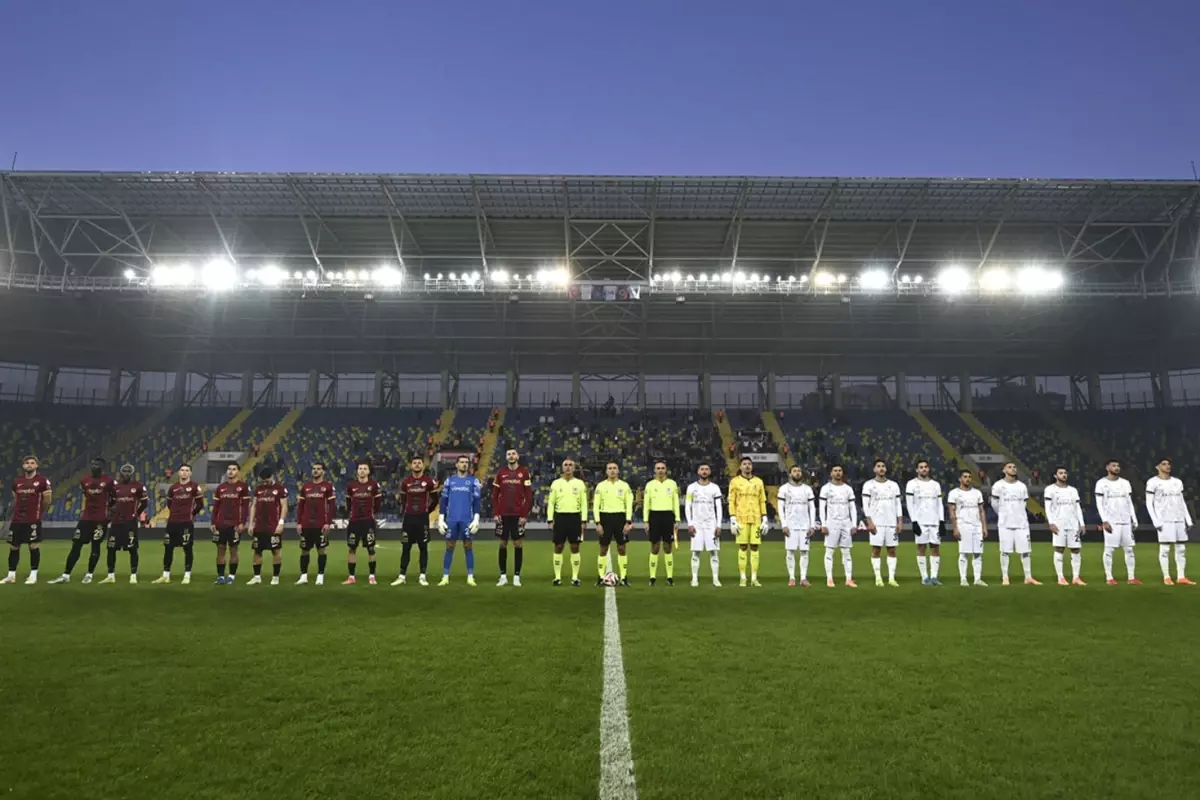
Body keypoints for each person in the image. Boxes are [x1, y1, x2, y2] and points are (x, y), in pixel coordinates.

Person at [51, 457, 114, 584]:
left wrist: (109, 516)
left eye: (97, 465)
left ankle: (89, 574)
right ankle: (66, 575)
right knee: (76, 545)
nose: (95, 466)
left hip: (101, 520)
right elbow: (87, 496)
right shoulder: (85, 481)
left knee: (95, 546)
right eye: (93, 464)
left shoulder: (109, 481)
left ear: (102, 467)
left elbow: (114, 499)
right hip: (86, 519)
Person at [1145, 458, 1195, 586]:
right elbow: (1149, 503)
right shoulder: (1152, 482)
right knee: (1165, 549)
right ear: (1157, 467)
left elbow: (1181, 501)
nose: (1167, 466)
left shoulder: (1177, 482)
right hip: (1164, 520)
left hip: (1178, 519)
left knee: (1181, 548)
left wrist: (1187, 519)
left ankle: (1181, 576)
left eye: (1168, 464)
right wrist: (1156, 521)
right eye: (1164, 464)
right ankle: (1166, 576)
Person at [991, 462, 1041, 586]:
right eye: (1009, 467)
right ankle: (1005, 577)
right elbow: (994, 504)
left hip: (1021, 523)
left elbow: (1024, 503)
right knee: (1004, 551)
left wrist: (1018, 514)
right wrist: (1003, 513)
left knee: (1025, 550)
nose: (1013, 469)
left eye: (1014, 467)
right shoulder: (998, 485)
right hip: (1005, 523)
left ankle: (1028, 577)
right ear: (1004, 470)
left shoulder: (1022, 486)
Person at [4, 456, 51, 584]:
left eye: (32, 463)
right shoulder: (17, 482)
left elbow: (47, 499)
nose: (29, 465)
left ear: (37, 466)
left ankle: (33, 575)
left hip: (33, 519)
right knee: (14, 547)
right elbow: (15, 498)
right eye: (26, 463)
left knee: (33, 546)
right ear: (23, 466)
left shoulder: (42, 481)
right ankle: (11, 575)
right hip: (17, 519)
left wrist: (40, 512)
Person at [154, 464, 204, 585]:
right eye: (182, 470)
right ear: (179, 472)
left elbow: (200, 504)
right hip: (172, 522)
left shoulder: (194, 487)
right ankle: (166, 575)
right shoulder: (173, 488)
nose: (184, 472)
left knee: (187, 548)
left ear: (190, 473)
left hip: (186, 522)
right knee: (168, 548)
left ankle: (187, 575)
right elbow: (170, 504)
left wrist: (192, 514)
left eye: (187, 470)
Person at [1094, 459, 1140, 586]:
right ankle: (1109, 577)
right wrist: (1104, 521)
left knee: (1129, 549)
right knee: (1109, 550)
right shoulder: (1101, 483)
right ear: (1107, 467)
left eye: (1118, 466)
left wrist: (1134, 518)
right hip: (1111, 521)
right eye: (1113, 465)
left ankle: (1131, 577)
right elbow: (1099, 504)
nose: (1117, 467)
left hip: (1125, 521)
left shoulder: (1125, 483)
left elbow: (1129, 501)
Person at [437, 455, 482, 586]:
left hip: (467, 519)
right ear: (456, 465)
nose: (464, 464)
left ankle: (470, 576)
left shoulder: (474, 481)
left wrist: (476, 518)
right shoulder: (449, 481)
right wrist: (441, 518)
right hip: (452, 519)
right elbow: (444, 501)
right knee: (449, 547)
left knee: (468, 547)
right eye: (461, 462)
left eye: (466, 462)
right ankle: (445, 577)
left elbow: (477, 501)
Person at [492, 448, 532, 587]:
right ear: (506, 457)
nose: (511, 456)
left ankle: (516, 576)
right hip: (503, 515)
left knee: (517, 544)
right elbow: (495, 496)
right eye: (508, 454)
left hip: (517, 515)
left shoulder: (524, 473)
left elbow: (528, 496)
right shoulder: (501, 473)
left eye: (513, 453)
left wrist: (523, 514)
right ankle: (503, 576)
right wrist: (496, 513)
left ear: (518, 456)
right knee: (502, 544)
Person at [101, 465, 148, 584]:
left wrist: (136, 514)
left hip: (130, 522)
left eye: (129, 471)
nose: (126, 473)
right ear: (121, 473)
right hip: (116, 522)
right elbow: (110, 503)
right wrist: (111, 515)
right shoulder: (115, 487)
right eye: (124, 471)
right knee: (111, 548)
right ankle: (110, 575)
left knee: (132, 549)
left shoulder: (138, 486)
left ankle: (133, 576)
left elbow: (144, 503)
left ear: (132, 473)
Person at [394, 456, 437, 586]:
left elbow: (435, 500)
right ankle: (402, 576)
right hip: (409, 518)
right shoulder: (405, 482)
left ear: (423, 466)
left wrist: (426, 512)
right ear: (410, 466)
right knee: (405, 547)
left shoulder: (429, 482)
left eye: (419, 463)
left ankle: (422, 576)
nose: (417, 465)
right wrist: (408, 510)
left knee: (423, 547)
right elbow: (402, 500)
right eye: (414, 463)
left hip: (422, 518)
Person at [862, 459, 903, 587]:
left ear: (886, 469)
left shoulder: (894, 485)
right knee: (876, 550)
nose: (881, 468)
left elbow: (898, 504)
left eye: (883, 466)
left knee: (892, 550)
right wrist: (869, 521)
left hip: (891, 522)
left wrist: (900, 521)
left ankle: (891, 578)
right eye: (878, 466)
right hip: (877, 523)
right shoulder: (868, 485)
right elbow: (865, 504)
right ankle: (878, 578)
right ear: (874, 469)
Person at [728, 456, 768, 586]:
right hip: (741, 519)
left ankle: (754, 578)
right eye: (744, 464)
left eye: (749, 464)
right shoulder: (734, 482)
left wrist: (765, 517)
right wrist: (733, 518)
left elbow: (762, 500)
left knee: (755, 547)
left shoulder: (759, 482)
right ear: (740, 467)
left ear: (752, 466)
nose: (747, 466)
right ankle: (743, 577)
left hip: (756, 518)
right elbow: (731, 501)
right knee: (743, 546)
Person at [593, 462, 634, 587]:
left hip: (620, 518)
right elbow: (596, 505)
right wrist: (598, 523)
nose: (612, 470)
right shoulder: (600, 486)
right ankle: (600, 577)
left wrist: (628, 522)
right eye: (610, 468)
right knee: (603, 548)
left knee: (622, 548)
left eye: (614, 468)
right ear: (606, 471)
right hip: (605, 518)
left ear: (618, 471)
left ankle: (624, 577)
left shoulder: (625, 486)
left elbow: (629, 505)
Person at [547, 458, 587, 586]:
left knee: (575, 546)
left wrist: (584, 520)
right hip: (560, 518)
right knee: (558, 546)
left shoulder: (580, 484)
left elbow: (584, 503)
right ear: (562, 468)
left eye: (570, 465)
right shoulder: (555, 483)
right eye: (566, 465)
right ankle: (557, 577)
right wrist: (550, 519)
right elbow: (551, 503)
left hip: (575, 518)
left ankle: (575, 577)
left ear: (574, 468)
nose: (568, 467)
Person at [905, 459, 945, 586]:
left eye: (925, 467)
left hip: (934, 521)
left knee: (935, 548)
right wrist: (914, 522)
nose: (923, 469)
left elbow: (939, 504)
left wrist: (942, 521)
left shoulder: (936, 485)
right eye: (921, 467)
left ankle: (934, 577)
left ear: (929, 469)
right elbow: (909, 504)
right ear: (917, 470)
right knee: (921, 547)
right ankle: (924, 577)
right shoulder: (911, 484)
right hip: (921, 522)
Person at [210, 462, 251, 585]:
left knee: (233, 550)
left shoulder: (243, 487)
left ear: (238, 471)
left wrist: (242, 522)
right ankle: (221, 576)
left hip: (234, 524)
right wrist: (213, 522)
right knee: (220, 550)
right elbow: (216, 507)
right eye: (229, 469)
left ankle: (231, 576)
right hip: (221, 523)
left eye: (233, 469)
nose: (231, 471)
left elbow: (245, 507)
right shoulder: (221, 487)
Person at [295, 462, 336, 586]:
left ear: (323, 471)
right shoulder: (305, 487)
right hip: (307, 524)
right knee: (304, 551)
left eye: (318, 469)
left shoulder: (328, 487)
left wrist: (328, 523)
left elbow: (332, 506)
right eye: (314, 469)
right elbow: (301, 506)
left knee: (321, 550)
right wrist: (299, 523)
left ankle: (320, 576)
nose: (315, 471)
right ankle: (303, 576)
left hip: (320, 524)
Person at [1044, 467, 1086, 586]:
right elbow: (1048, 507)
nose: (1064, 475)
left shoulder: (1073, 490)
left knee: (1076, 549)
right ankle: (1060, 577)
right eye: (1061, 473)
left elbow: (1077, 507)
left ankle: (1076, 577)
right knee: (1059, 548)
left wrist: (1081, 523)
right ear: (1055, 476)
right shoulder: (1050, 489)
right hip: (1059, 523)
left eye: (1065, 473)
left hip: (1073, 523)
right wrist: (1051, 522)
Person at [344, 459, 383, 585]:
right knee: (352, 549)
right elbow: (348, 503)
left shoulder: (374, 485)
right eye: (360, 468)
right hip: (354, 522)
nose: (362, 470)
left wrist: (371, 514)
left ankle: (372, 576)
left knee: (371, 549)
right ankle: (351, 577)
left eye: (365, 468)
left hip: (368, 521)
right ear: (357, 471)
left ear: (369, 471)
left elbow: (377, 504)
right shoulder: (351, 486)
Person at [247, 466, 287, 585]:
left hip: (273, 526)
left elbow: (284, 506)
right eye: (262, 481)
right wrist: (250, 523)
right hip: (259, 526)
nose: (264, 483)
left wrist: (281, 523)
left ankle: (275, 578)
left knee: (276, 551)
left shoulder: (280, 489)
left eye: (266, 480)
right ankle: (257, 577)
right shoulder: (258, 489)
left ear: (272, 477)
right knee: (257, 551)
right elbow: (253, 506)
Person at [685, 463, 724, 587]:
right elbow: (688, 506)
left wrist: (718, 525)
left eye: (706, 469)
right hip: (696, 524)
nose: (704, 471)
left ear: (710, 471)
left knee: (714, 552)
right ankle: (695, 578)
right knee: (695, 552)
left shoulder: (715, 488)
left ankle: (715, 579)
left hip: (711, 524)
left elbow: (719, 507)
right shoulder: (691, 488)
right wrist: (690, 523)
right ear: (698, 471)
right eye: (702, 469)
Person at [643, 460, 681, 586]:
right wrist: (646, 521)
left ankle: (669, 577)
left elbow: (676, 502)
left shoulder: (672, 484)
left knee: (667, 546)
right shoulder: (649, 485)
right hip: (654, 516)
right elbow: (646, 504)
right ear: (654, 470)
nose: (660, 470)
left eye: (662, 468)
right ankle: (652, 577)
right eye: (658, 468)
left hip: (668, 516)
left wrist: (677, 519)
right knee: (655, 546)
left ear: (666, 470)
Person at [777, 465, 816, 587]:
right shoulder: (784, 489)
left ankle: (803, 578)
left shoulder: (807, 489)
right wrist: (783, 524)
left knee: (804, 552)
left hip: (805, 525)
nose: (797, 473)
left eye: (799, 471)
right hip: (790, 525)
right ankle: (792, 577)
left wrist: (812, 525)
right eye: (794, 471)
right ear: (790, 474)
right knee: (790, 551)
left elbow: (812, 508)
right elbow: (780, 507)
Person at [819, 464, 857, 588]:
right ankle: (829, 579)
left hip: (846, 523)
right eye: (835, 470)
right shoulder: (826, 488)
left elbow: (852, 507)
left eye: (840, 470)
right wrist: (823, 524)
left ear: (842, 473)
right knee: (829, 551)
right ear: (831, 473)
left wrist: (854, 524)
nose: (838, 473)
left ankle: (849, 579)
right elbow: (821, 507)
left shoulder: (848, 489)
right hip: (831, 523)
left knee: (846, 552)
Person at [948, 469, 988, 586]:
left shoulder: (977, 493)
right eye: (965, 477)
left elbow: (981, 511)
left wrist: (984, 527)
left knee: (978, 553)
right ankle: (963, 578)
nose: (968, 479)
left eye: (969, 477)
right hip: (963, 525)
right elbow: (952, 512)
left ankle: (977, 579)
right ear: (960, 479)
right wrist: (955, 528)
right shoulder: (954, 493)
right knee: (964, 553)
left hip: (977, 526)